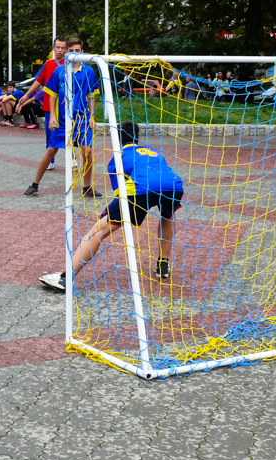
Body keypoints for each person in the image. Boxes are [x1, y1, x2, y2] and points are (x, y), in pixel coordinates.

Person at [39, 121, 184, 290]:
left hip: (142, 189)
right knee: (167, 217)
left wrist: (108, 214)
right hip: (174, 186)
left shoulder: (118, 158)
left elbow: (120, 195)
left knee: (99, 229)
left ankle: (66, 278)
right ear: (137, 136)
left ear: (117, 138)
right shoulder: (154, 152)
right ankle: (163, 265)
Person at [24, 38, 101, 198]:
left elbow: (91, 95)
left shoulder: (88, 71)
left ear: (82, 52)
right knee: (51, 149)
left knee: (87, 151)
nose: (74, 53)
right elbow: (52, 94)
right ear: (67, 52)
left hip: (82, 118)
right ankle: (35, 184)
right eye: (71, 50)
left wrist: (92, 116)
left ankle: (87, 187)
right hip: (62, 119)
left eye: (77, 51)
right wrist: (52, 116)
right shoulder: (59, 71)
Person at [21, 37, 67, 171]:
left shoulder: (68, 64)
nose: (60, 50)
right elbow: (38, 81)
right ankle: (50, 161)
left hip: (64, 106)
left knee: (68, 133)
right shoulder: (48, 64)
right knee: (49, 133)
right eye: (58, 47)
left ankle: (73, 159)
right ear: (53, 48)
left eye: (62, 48)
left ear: (66, 49)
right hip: (48, 105)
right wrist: (26, 95)